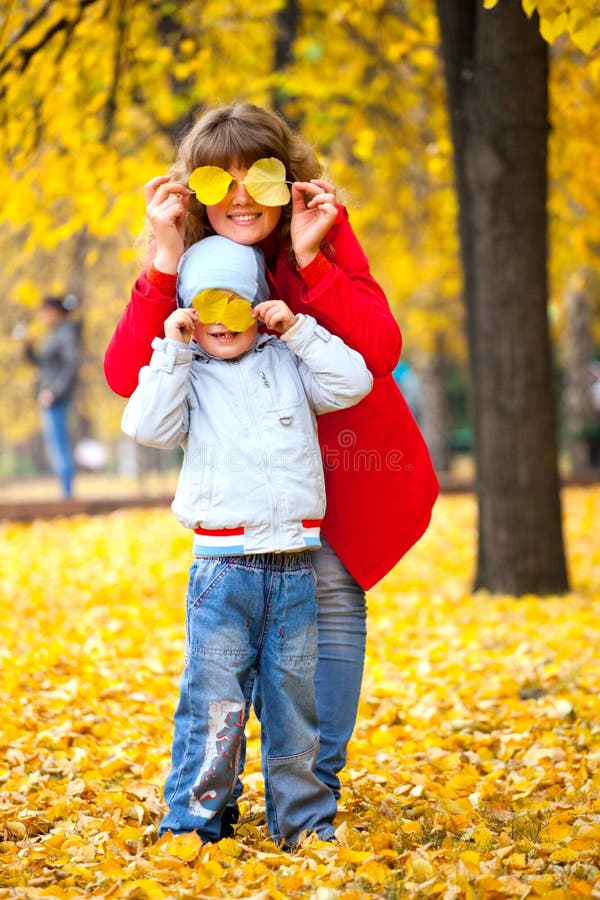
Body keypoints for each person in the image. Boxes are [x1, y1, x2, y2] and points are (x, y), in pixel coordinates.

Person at [104, 101, 439, 826]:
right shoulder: (187, 259)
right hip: (247, 479)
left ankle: (312, 789)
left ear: (285, 178)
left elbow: (377, 352)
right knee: (229, 657)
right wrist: (163, 265)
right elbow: (129, 379)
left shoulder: (318, 231)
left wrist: (315, 259)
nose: (239, 196)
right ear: (190, 189)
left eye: (256, 175)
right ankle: (212, 799)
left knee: (333, 603)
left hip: (345, 456)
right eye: (215, 180)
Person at [121, 235, 373, 845]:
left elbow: (354, 382)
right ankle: (196, 820)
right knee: (214, 702)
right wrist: (172, 349)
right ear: (188, 311)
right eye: (207, 304)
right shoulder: (187, 375)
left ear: (259, 306)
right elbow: (145, 426)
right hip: (223, 570)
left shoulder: (289, 362)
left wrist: (298, 330)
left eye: (237, 300)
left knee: (295, 703)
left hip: (292, 566)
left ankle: (305, 822)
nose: (221, 317)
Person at [23, 294, 81, 498]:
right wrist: (27, 348)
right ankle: (65, 492)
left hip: (55, 397)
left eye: (45, 312)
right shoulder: (56, 333)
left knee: (59, 443)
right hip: (49, 396)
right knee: (55, 444)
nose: (43, 316)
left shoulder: (65, 334)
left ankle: (66, 493)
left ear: (55, 312)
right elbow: (45, 364)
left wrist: (53, 392)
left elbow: (71, 367)